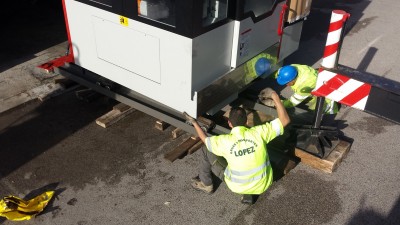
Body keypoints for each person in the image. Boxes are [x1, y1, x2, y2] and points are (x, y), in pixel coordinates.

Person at [183, 90, 290, 205]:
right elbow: (285, 120)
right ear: (246, 121)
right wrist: (275, 97)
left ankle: (206, 184)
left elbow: (205, 140)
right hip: (263, 184)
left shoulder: (225, 142)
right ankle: (250, 193)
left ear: (229, 123)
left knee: (206, 149)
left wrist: (194, 122)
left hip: (237, 186)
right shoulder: (259, 133)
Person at [273, 64, 340, 115]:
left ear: (292, 80)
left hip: (322, 88)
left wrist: (279, 104)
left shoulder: (304, 85)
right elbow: (278, 73)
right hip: (314, 79)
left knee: (319, 107)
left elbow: (293, 101)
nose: (286, 85)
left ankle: (332, 110)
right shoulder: (292, 68)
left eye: (287, 83)